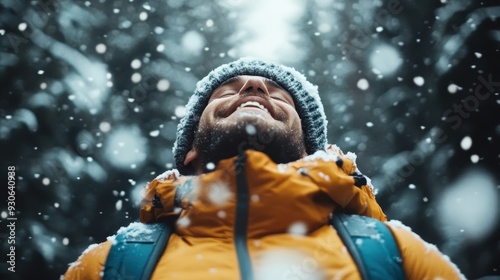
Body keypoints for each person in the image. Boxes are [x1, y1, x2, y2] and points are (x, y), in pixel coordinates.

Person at [63, 58, 465, 280]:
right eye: (227, 90)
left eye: (277, 94)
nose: (253, 87)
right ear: (189, 152)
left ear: (311, 148)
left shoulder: (394, 254)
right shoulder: (110, 265)